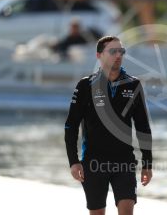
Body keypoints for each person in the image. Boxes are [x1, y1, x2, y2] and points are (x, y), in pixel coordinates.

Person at [64, 36, 153, 215]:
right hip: (93, 163)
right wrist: (74, 162)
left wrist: (147, 163)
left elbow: (143, 126)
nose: (118, 55)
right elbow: (71, 126)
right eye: (113, 51)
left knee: (127, 209)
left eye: (121, 51)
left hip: (124, 162)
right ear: (99, 55)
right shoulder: (85, 85)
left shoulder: (133, 84)